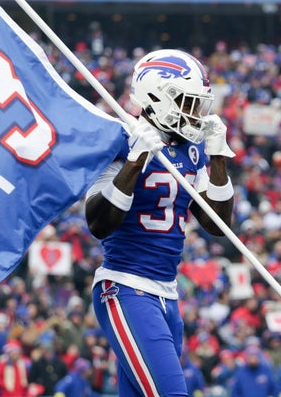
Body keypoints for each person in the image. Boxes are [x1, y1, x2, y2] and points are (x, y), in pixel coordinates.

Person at [84, 48, 235, 396]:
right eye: (187, 101)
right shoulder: (120, 139)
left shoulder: (191, 149)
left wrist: (218, 158)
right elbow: (98, 223)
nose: (195, 113)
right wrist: (136, 160)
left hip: (168, 294)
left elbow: (218, 225)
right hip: (125, 288)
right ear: (157, 98)